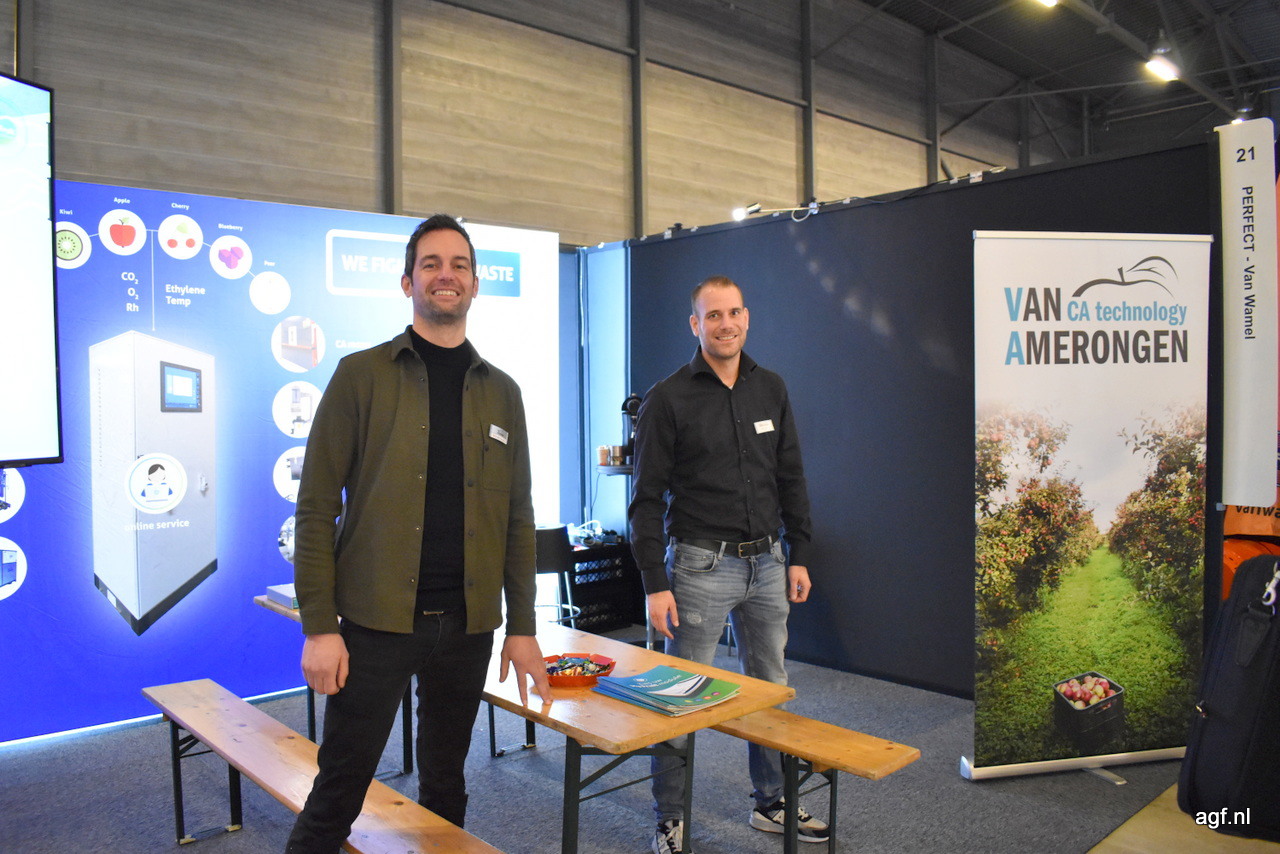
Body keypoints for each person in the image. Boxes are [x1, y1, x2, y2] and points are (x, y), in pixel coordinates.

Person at [285, 214, 552, 853]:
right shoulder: (361, 375)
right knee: (339, 789)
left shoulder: (503, 392)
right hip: (376, 622)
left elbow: (518, 519)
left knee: (447, 784)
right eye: (431, 264)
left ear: (475, 283)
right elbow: (315, 508)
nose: (445, 275)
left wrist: (522, 627)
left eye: (459, 265)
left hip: (467, 625)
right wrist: (319, 626)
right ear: (408, 282)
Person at [628, 275, 826, 853]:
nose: (726, 324)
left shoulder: (771, 388)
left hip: (768, 562)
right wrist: (655, 583)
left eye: (734, 312)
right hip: (698, 567)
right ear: (695, 324)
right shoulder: (668, 398)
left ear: (747, 317)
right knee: (680, 694)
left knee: (770, 688)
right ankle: (670, 818)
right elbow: (645, 499)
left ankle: (772, 802)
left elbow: (790, 476)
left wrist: (799, 554)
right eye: (712, 315)